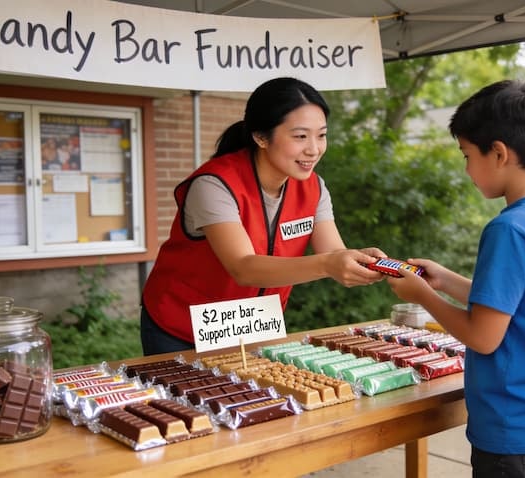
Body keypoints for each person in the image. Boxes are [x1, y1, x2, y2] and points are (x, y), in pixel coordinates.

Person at [386, 80, 525, 478]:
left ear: (498, 153)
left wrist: (423, 294)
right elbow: (519, 303)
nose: (466, 169)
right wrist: (445, 280)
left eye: (466, 154)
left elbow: (483, 335)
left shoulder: (509, 229)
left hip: (515, 431)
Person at [141, 77, 387, 355]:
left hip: (255, 326)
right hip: (182, 328)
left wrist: (358, 262)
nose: (314, 148)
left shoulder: (314, 187)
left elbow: (333, 252)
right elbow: (243, 268)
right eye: (300, 136)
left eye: (321, 135)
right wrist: (330, 264)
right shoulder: (214, 184)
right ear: (260, 137)